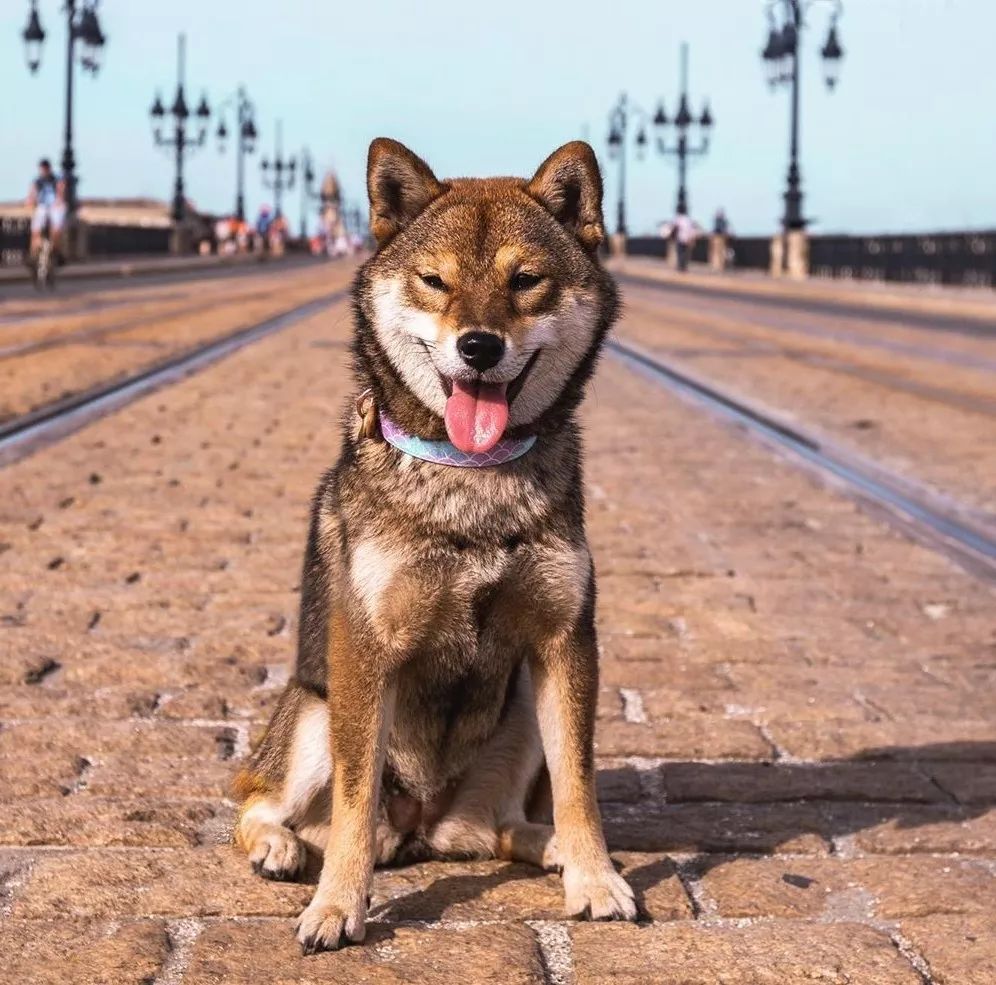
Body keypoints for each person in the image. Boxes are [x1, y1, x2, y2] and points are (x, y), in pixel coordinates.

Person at [26, 159, 66, 261]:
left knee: (56, 228)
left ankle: (55, 250)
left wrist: (59, 199)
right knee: (36, 230)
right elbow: (32, 192)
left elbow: (60, 190)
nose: (43, 171)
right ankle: (33, 254)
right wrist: (31, 200)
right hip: (42, 205)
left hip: (54, 206)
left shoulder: (56, 179)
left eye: (45, 169)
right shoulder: (37, 180)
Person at [660, 207, 700, 272]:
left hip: (681, 238)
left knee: (680, 253)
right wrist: (693, 238)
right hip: (687, 238)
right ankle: (683, 266)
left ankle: (681, 266)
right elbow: (693, 228)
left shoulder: (678, 219)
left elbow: (672, 226)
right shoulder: (688, 219)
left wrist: (668, 234)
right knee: (685, 254)